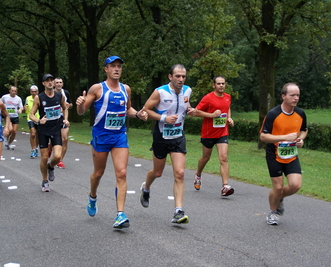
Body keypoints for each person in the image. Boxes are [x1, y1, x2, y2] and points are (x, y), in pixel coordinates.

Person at [76, 55, 147, 229]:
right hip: (101, 136)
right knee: (98, 173)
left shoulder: (126, 89)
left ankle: (120, 214)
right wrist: (79, 104)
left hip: (119, 136)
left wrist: (137, 114)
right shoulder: (98, 89)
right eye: (113, 66)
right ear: (106, 69)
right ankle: (92, 196)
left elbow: (128, 108)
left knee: (121, 173)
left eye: (119, 66)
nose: (116, 69)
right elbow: (81, 111)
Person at [139, 64, 196, 224]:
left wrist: (190, 110)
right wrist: (163, 118)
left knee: (180, 173)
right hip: (161, 137)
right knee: (157, 173)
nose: (181, 79)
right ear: (170, 77)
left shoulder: (188, 91)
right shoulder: (160, 92)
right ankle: (146, 188)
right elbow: (145, 110)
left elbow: (185, 106)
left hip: (178, 136)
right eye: (177, 76)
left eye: (183, 76)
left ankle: (178, 211)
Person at [260, 83, 308, 225]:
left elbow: (304, 130)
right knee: (278, 187)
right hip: (274, 154)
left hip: (291, 154)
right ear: (283, 96)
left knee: (295, 185)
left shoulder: (300, 113)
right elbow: (263, 136)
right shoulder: (273, 114)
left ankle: (278, 197)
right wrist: (284, 137)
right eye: (292, 95)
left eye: (297, 95)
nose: (295, 98)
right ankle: (273, 212)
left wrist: (301, 139)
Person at [193, 76, 235, 196]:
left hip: (222, 132)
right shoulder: (208, 98)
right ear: (214, 85)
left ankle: (225, 186)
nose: (221, 85)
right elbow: (196, 111)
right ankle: (198, 175)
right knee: (205, 158)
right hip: (208, 133)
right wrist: (211, 115)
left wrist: (229, 118)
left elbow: (227, 109)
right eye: (219, 84)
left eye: (223, 83)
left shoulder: (228, 97)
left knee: (224, 158)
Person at [30, 74, 69, 192]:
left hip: (56, 129)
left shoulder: (59, 96)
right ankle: (45, 180)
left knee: (57, 156)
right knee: (44, 157)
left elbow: (65, 108)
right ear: (43, 83)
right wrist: (38, 120)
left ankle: (51, 167)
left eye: (52, 80)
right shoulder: (39, 97)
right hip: (43, 130)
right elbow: (31, 114)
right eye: (47, 81)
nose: (50, 82)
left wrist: (66, 119)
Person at [54, 77, 72, 168]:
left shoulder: (66, 93)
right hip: (53, 119)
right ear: (54, 84)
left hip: (63, 118)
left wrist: (68, 105)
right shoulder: (50, 94)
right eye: (57, 82)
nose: (59, 84)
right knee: (53, 140)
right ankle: (50, 149)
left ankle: (60, 160)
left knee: (64, 139)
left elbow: (71, 104)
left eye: (60, 82)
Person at [0, 86, 23, 150]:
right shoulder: (5, 97)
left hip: (15, 116)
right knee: (10, 129)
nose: (13, 92)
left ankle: (9, 143)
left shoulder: (18, 98)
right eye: (12, 91)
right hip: (8, 116)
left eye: (15, 91)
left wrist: (20, 110)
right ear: (9, 90)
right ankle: (6, 137)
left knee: (14, 132)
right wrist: (2, 110)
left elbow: (21, 107)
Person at [25, 85, 39, 158]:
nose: (34, 93)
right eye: (32, 91)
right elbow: (26, 106)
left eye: (35, 91)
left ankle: (36, 148)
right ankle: (33, 149)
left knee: (38, 135)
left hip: (39, 118)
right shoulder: (28, 98)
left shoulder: (40, 98)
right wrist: (25, 108)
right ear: (30, 92)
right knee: (33, 134)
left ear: (38, 92)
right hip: (30, 118)